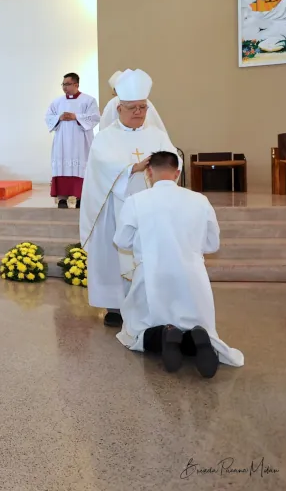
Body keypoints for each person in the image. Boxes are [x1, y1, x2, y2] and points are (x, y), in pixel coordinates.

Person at [114, 151, 244, 378]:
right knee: (195, 320)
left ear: (150, 172)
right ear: (177, 172)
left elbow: (121, 240)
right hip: (192, 277)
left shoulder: (136, 201)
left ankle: (165, 334)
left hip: (152, 276)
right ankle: (197, 337)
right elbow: (212, 244)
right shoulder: (199, 200)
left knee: (137, 331)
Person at [80, 70, 179, 327]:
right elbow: (101, 166)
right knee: (117, 254)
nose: (139, 112)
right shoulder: (105, 137)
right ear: (119, 108)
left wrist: (158, 168)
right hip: (117, 207)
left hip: (151, 207)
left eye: (143, 107)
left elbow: (172, 162)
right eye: (133, 107)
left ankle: (150, 301)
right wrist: (132, 168)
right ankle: (116, 305)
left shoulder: (157, 135)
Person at [45, 73, 100, 209]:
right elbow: (48, 117)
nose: (65, 87)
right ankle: (62, 199)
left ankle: (81, 198)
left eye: (67, 84)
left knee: (81, 169)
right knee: (62, 167)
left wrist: (76, 116)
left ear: (76, 84)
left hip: (81, 142)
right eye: (63, 84)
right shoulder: (57, 102)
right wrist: (59, 117)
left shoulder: (89, 100)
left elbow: (94, 117)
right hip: (62, 142)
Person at [100, 70, 166, 132]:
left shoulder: (158, 136)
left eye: (142, 107)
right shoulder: (114, 102)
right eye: (131, 107)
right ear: (119, 109)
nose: (137, 112)